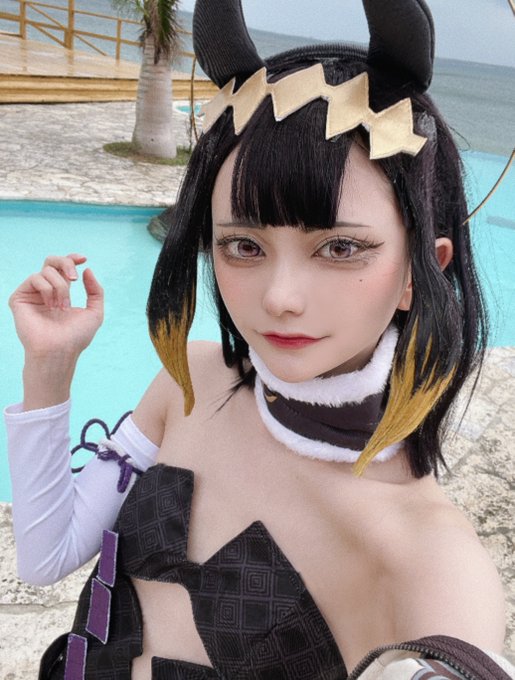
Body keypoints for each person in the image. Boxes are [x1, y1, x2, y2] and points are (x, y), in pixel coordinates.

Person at [4, 0, 514, 678]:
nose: (279, 298)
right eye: (244, 245)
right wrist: (48, 368)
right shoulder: (191, 381)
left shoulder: (424, 554)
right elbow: (45, 556)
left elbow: (460, 648)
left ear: (418, 273)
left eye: (339, 248)